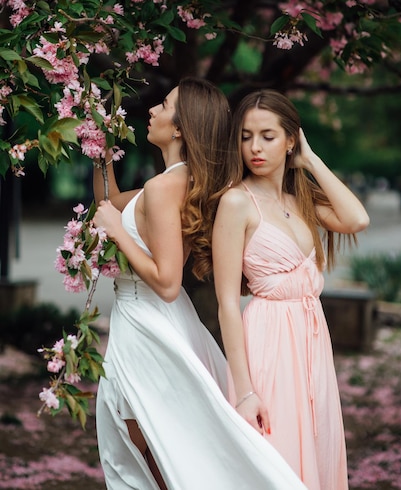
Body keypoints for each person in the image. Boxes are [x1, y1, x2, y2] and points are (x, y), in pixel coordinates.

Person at [92, 78, 307, 490]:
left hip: (147, 321)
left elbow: (168, 281)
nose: (151, 110)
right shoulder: (183, 180)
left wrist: (116, 233)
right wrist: (101, 156)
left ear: (179, 127)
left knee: (147, 441)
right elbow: (112, 202)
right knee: (166, 438)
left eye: (164, 104)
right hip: (158, 319)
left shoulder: (163, 187)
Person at [213, 89, 370, 490]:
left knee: (316, 445)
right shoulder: (236, 203)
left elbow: (356, 219)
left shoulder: (299, 199)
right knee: (276, 456)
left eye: (268, 135)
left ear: (290, 140)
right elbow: (228, 302)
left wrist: (311, 160)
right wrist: (245, 390)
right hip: (268, 339)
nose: (254, 147)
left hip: (311, 339)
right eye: (246, 136)